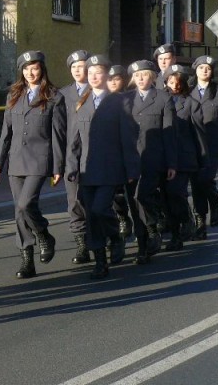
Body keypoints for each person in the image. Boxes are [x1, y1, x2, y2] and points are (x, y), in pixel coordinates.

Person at [0, 51, 66, 278]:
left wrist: (57, 166)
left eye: (34, 68)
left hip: (39, 159)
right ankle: (27, 259)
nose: (30, 73)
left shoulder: (54, 96)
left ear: (42, 69)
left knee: (25, 204)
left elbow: (58, 134)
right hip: (16, 159)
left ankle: (43, 234)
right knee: (19, 212)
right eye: (25, 69)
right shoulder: (14, 94)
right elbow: (6, 130)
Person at [67, 55, 140, 279]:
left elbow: (128, 137)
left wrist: (131, 169)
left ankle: (116, 237)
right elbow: (74, 140)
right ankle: (100, 261)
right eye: (90, 73)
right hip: (86, 170)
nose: (94, 76)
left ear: (107, 75)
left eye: (98, 72)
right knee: (91, 216)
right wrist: (71, 166)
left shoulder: (119, 102)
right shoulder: (82, 103)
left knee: (100, 209)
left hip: (109, 168)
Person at [124, 60, 177, 264]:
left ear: (153, 77)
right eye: (137, 76)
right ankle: (143, 247)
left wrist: (172, 163)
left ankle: (153, 226)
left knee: (141, 196)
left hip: (153, 159)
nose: (140, 79)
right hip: (130, 160)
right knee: (133, 203)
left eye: (144, 75)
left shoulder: (163, 98)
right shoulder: (126, 99)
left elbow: (169, 133)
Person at [161, 64, 209, 250]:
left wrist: (203, 158)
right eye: (170, 81)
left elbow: (199, 133)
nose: (174, 85)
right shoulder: (160, 100)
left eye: (177, 82)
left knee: (175, 192)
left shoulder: (191, 103)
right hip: (164, 157)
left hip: (184, 157)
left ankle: (186, 219)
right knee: (165, 197)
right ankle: (175, 234)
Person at [189, 55, 218, 238]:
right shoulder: (189, 91)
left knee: (205, 179)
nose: (205, 71)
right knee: (196, 183)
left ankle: (215, 204)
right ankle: (200, 222)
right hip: (193, 145)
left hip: (213, 145)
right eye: (201, 68)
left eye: (208, 68)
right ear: (196, 70)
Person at [59, 50, 91, 264]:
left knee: (97, 201)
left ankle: (103, 236)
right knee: (74, 201)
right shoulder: (62, 94)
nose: (78, 70)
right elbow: (58, 128)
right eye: (74, 67)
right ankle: (82, 246)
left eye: (82, 66)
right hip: (70, 156)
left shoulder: (98, 90)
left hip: (93, 153)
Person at [106, 64, 134, 238]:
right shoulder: (102, 100)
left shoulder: (131, 99)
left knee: (133, 193)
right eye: (110, 79)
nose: (113, 83)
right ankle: (122, 218)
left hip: (131, 151)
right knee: (115, 193)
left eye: (116, 79)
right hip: (111, 152)